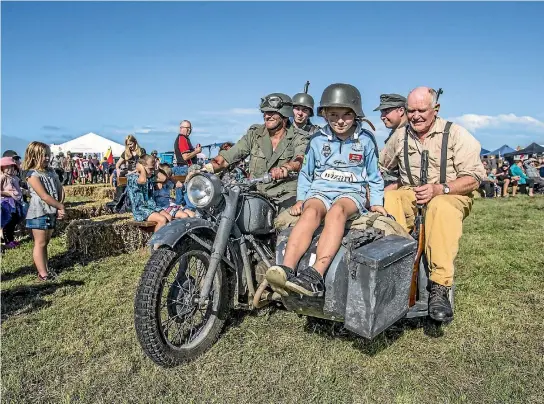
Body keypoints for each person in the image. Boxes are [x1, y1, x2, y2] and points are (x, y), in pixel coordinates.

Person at [266, 83, 386, 297]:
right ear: (324, 115)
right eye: (333, 114)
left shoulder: (366, 140)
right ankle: (286, 269)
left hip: (350, 192)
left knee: (337, 212)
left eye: (345, 115)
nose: (339, 121)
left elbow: (374, 176)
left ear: (356, 114)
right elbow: (306, 173)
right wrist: (301, 199)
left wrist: (376, 202)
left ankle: (315, 275)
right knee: (310, 213)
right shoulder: (317, 140)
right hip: (320, 190)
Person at [379, 86, 485, 322]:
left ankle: (439, 286)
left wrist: (441, 188)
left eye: (421, 110)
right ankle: (393, 270)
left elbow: (475, 178)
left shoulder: (456, 134)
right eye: (411, 110)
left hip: (450, 195)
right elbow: (381, 165)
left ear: (435, 109)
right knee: (391, 198)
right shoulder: (400, 135)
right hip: (412, 193)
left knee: (440, 207)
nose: (415, 116)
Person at [201, 93, 308, 211]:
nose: (267, 116)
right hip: (257, 196)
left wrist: (286, 168)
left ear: (285, 115)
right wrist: (203, 170)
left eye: (272, 113)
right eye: (265, 112)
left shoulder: (299, 137)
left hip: (285, 199)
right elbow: (226, 158)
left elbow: (300, 159)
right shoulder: (255, 134)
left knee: (285, 225)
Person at [22, 141, 65, 281]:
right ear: (34, 156)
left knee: (45, 242)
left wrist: (60, 204)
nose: (47, 158)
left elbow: (60, 189)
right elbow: (44, 195)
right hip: (38, 211)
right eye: (44, 155)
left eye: (48, 155)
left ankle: (45, 268)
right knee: (40, 243)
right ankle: (43, 274)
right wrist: (60, 207)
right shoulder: (32, 174)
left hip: (51, 210)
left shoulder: (51, 171)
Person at [125, 154, 169, 232]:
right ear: (142, 166)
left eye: (153, 169)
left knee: (168, 217)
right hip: (140, 210)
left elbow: (164, 179)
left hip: (152, 206)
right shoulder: (132, 177)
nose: (152, 171)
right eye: (150, 169)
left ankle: (160, 240)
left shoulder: (149, 177)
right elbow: (143, 181)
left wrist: (155, 169)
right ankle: (155, 243)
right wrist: (141, 169)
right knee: (162, 220)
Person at [375, 93, 407, 187]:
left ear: (401, 110)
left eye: (386, 111)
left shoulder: (403, 133)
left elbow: (382, 163)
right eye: (381, 112)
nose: (382, 116)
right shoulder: (396, 131)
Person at [1, 157, 29, 248]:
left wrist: (24, 192)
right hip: (7, 203)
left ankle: (11, 239)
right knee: (9, 221)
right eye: (7, 167)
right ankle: (7, 241)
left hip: (16, 202)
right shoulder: (3, 177)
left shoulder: (15, 178)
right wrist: (8, 194)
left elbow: (18, 189)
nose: (10, 169)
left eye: (12, 167)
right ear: (2, 168)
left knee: (15, 220)